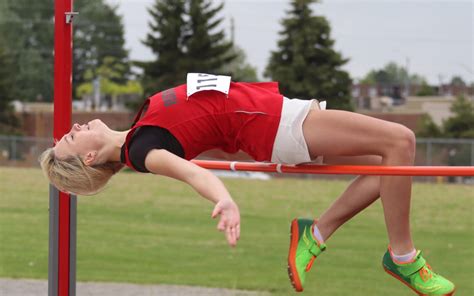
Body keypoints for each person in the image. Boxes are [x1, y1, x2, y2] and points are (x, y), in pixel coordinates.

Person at [40, 73, 455, 295]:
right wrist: (225, 199)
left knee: (389, 162)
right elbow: (193, 173)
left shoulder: (139, 128)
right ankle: (404, 259)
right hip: (276, 127)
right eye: (71, 138)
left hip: (275, 117)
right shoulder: (142, 149)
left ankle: (316, 232)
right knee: (401, 139)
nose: (74, 126)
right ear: (89, 158)